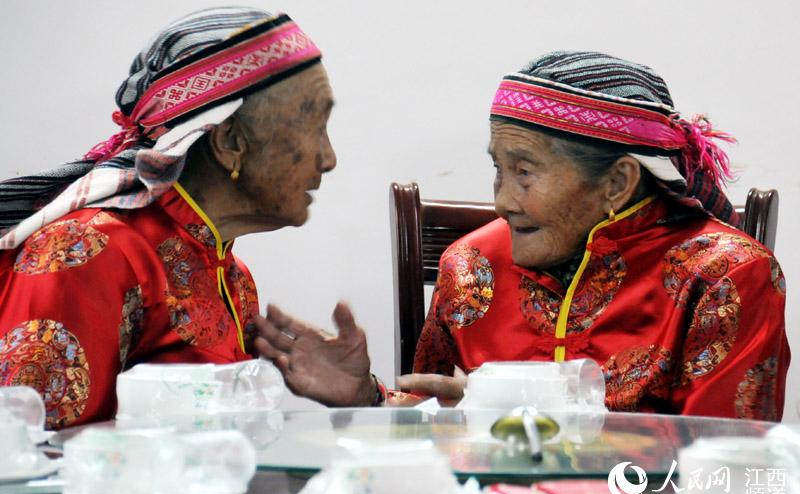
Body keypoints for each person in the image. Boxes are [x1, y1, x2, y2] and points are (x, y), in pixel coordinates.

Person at [257, 51, 790, 420]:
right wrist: (369, 399)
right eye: (499, 169)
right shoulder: (471, 265)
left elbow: (725, 473)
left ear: (617, 182)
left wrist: (540, 420)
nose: (503, 202)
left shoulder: (724, 276)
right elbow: (438, 419)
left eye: (525, 172)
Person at [0, 6, 381, 430]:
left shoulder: (232, 274)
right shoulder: (89, 249)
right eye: (314, 125)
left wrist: (365, 396)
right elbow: (28, 451)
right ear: (230, 142)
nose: (329, 159)